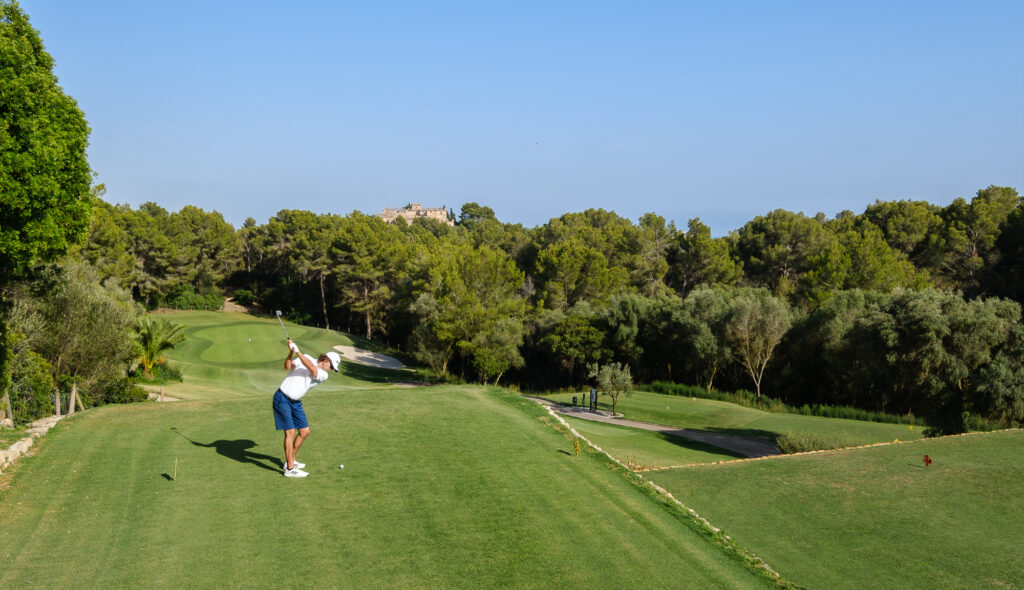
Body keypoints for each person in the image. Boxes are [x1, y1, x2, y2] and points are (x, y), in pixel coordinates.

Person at [272, 338, 341, 477]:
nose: (331, 370)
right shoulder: (307, 357)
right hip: (282, 398)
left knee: (305, 431)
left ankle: (289, 461)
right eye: (332, 367)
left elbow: (312, 369)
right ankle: (290, 469)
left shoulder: (323, 375)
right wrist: (291, 352)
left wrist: (298, 351)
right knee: (290, 432)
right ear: (327, 360)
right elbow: (287, 367)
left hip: (295, 402)